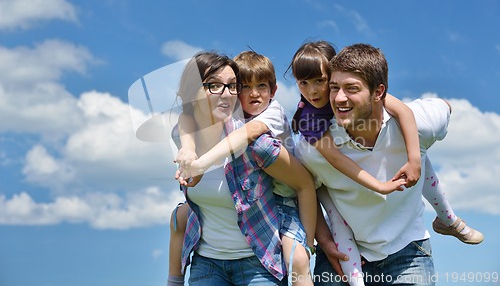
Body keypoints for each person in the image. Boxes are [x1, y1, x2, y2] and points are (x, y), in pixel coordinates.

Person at [294, 43, 467, 285]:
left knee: (425, 166)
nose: (338, 97)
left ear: (378, 93)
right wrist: (323, 240)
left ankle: (449, 220)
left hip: (408, 250)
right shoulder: (311, 145)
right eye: (334, 88)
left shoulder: (419, 121)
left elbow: (444, 108)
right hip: (346, 251)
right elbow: (307, 188)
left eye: (351, 88)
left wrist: (415, 156)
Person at [168, 51, 316, 286]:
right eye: (214, 86)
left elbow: (304, 183)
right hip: (207, 263)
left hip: (256, 263)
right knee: (179, 214)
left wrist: (307, 246)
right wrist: (188, 150)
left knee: (298, 262)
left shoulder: (258, 144)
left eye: (232, 86)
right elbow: (184, 121)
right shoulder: (183, 136)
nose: (227, 94)